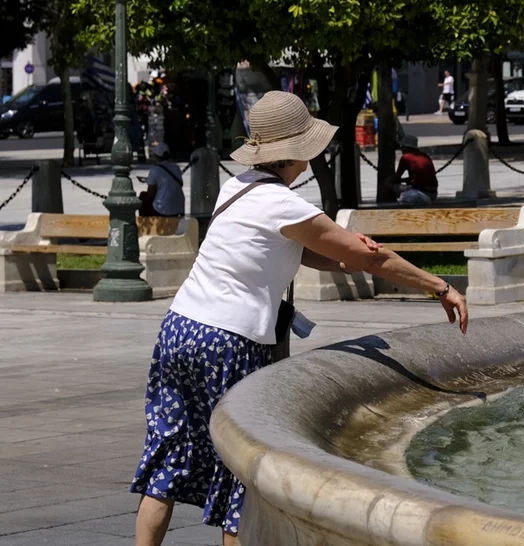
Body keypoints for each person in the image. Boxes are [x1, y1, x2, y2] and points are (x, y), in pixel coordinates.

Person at [131, 91, 469, 546]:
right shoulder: (286, 206)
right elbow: (374, 261)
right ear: (296, 150)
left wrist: (342, 258)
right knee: (243, 477)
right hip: (229, 341)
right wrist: (439, 287)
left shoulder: (238, 187)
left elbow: (292, 250)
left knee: (168, 456)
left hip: (180, 329)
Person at [382, 134, 439, 205]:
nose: (401, 149)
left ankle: (389, 205)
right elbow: (418, 178)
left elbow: (397, 177)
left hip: (419, 192)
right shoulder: (424, 155)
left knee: (388, 185)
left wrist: (388, 180)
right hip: (433, 194)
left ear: (407, 147)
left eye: (402, 147)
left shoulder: (406, 157)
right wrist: (403, 180)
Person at [138, 143, 185, 217]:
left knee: (143, 196)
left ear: (156, 156)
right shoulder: (176, 167)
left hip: (162, 209)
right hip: (179, 208)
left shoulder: (154, 170)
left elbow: (151, 193)